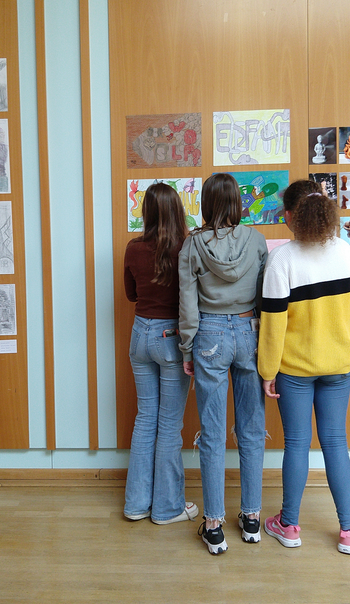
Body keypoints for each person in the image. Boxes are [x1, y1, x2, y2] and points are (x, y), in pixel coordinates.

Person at [258, 179, 350, 555]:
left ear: (289, 216)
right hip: (339, 364)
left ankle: (288, 525)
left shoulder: (282, 260)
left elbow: (273, 324)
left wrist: (267, 370)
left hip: (295, 369)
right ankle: (349, 530)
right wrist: (340, 339)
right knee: (336, 442)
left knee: (297, 444)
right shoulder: (348, 255)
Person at [178, 172, 268, 554]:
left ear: (207, 203)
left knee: (212, 433)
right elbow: (267, 297)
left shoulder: (192, 246)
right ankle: (250, 520)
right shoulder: (258, 240)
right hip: (250, 331)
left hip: (209, 336)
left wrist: (187, 348)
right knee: (251, 428)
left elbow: (187, 304)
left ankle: (213, 524)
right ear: (237, 202)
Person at [123, 183, 198, 525]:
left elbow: (130, 294)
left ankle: (136, 505)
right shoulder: (185, 247)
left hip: (140, 335)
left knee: (144, 419)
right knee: (168, 425)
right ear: (177, 210)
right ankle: (167, 508)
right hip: (171, 337)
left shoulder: (133, 248)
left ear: (147, 212)